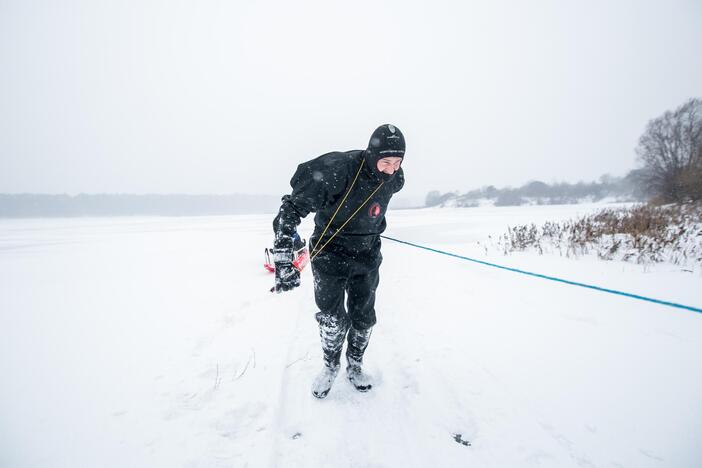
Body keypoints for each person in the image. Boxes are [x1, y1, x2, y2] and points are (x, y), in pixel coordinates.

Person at [272, 124, 405, 399]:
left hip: (367, 253)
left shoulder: (395, 178)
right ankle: (330, 367)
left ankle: (355, 366)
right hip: (329, 252)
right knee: (331, 318)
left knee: (364, 316)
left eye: (397, 162)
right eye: (385, 161)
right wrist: (284, 258)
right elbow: (290, 209)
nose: (391, 169)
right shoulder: (337, 171)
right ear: (371, 155)